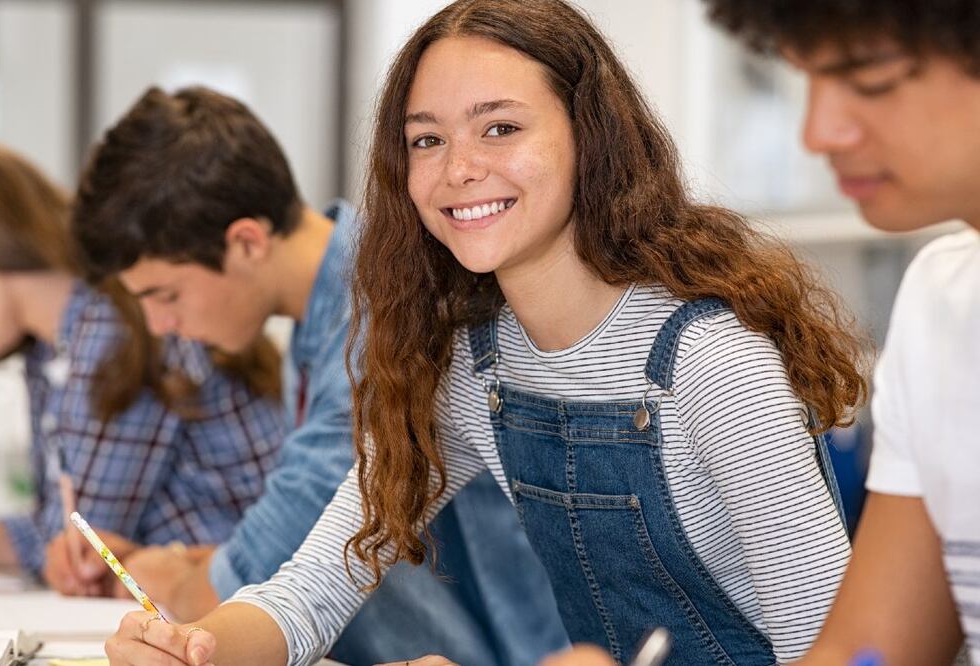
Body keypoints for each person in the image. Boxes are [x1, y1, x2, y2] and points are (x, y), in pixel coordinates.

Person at [103, 1, 871, 664]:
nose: (458, 169)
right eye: (426, 140)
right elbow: (311, 590)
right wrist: (195, 647)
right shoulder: (475, 372)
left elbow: (839, 649)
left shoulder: (709, 364)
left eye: (499, 128)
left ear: (589, 138)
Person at [67, 85, 569, 665]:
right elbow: (312, 566)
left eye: (165, 294)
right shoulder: (324, 312)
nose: (160, 325)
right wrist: (178, 565)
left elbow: (270, 558)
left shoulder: (380, 315)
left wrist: (177, 576)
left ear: (247, 242)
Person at [700, 1, 980, 664]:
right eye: (809, 79)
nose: (818, 132)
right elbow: (870, 649)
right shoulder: (943, 302)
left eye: (870, 80)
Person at [0, 142, 285, 590]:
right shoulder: (54, 348)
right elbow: (58, 531)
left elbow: (81, 546)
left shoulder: (113, 329)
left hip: (250, 603)